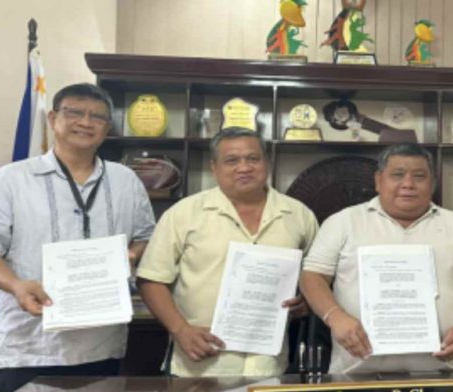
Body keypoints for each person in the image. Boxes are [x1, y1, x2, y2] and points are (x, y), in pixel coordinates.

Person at [0, 83, 155, 392]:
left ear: (108, 128)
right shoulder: (10, 180)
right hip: (29, 348)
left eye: (97, 117)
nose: (85, 122)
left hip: (100, 344)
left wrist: (130, 255)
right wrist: (17, 285)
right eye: (74, 112)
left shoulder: (125, 181)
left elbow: (145, 234)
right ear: (53, 118)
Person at [136, 126, 318, 377]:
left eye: (253, 158)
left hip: (268, 365)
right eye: (231, 160)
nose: (243, 167)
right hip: (199, 365)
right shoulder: (184, 213)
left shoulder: (299, 215)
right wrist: (181, 330)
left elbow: (317, 277)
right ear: (214, 167)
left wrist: (306, 301)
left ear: (267, 162)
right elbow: (151, 279)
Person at [300, 143, 453, 373]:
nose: (408, 184)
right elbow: (312, 276)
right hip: (356, 374)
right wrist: (336, 317)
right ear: (378, 180)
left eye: (419, 176)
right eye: (398, 175)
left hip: (440, 373)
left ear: (432, 183)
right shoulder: (344, 222)